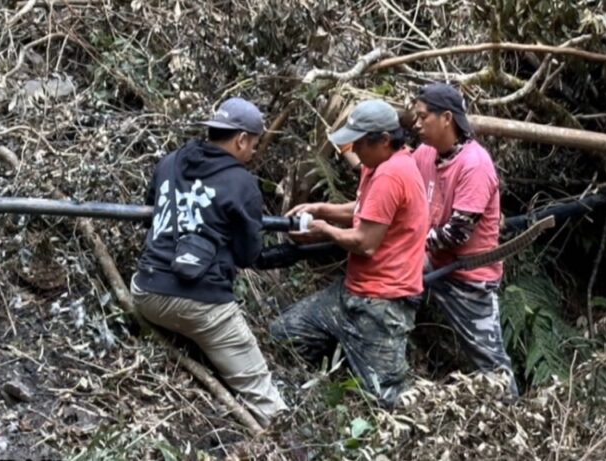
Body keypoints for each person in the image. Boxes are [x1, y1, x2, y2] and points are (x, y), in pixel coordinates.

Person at [131, 97, 288, 427]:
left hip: (146, 290)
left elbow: (150, 211)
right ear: (241, 139)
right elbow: (248, 256)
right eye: (254, 144)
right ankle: (278, 435)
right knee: (262, 393)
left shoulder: (170, 162)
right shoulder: (242, 183)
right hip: (202, 305)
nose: (253, 152)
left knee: (187, 316)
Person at [270, 100, 428, 407]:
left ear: (384, 140)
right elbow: (367, 209)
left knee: (388, 399)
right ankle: (328, 382)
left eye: (360, 142)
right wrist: (322, 209)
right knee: (285, 335)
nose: (354, 149)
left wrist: (323, 230)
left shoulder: (391, 174)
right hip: (352, 293)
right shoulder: (380, 165)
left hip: (383, 304)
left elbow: (365, 242)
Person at [409, 83, 518, 396]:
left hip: (468, 276)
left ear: (447, 118)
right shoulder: (425, 153)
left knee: (491, 364)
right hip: (432, 260)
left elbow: (457, 233)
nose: (416, 124)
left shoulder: (475, 164)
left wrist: (408, 242)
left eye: (423, 117)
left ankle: (511, 410)